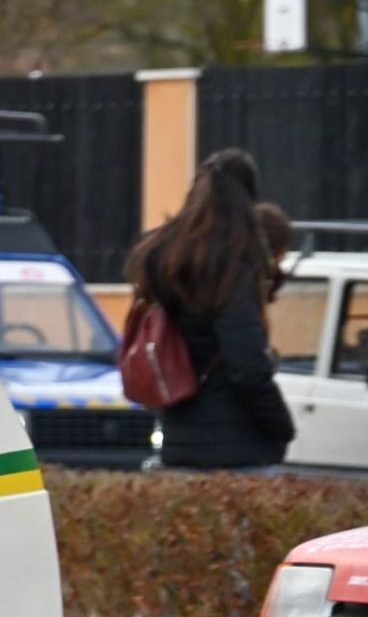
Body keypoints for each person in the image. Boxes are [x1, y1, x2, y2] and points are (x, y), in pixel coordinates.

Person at [125, 148, 294, 469]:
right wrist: (281, 425)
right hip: (240, 451)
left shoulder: (167, 266)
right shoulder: (231, 272)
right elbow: (247, 368)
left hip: (177, 439)